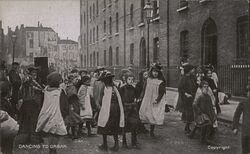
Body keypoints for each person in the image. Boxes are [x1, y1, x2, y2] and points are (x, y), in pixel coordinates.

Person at [36, 72, 69, 154]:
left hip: (46, 114)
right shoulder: (60, 92)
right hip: (57, 115)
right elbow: (65, 106)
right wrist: (65, 115)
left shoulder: (45, 91)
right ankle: (53, 150)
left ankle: (52, 149)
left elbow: (42, 103)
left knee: (50, 133)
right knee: (56, 133)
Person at [96, 71, 125, 152]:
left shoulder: (105, 88)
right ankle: (115, 145)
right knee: (114, 127)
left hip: (109, 110)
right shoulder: (115, 88)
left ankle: (105, 144)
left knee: (104, 126)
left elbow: (101, 99)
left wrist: (100, 106)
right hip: (115, 110)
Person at [139, 63, 166, 137]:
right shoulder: (148, 80)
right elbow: (144, 90)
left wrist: (157, 100)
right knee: (144, 113)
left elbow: (161, 93)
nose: (155, 73)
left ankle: (151, 131)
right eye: (154, 71)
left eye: (157, 72)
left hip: (154, 100)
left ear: (159, 73)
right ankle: (141, 128)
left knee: (153, 115)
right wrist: (141, 97)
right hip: (147, 99)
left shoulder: (160, 82)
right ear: (151, 71)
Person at [18, 66, 44, 144]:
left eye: (35, 72)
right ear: (30, 73)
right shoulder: (28, 79)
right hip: (29, 103)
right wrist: (40, 89)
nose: (35, 74)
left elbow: (38, 87)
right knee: (30, 120)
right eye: (33, 72)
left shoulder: (32, 80)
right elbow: (33, 86)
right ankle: (31, 138)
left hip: (32, 102)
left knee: (30, 120)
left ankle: (31, 137)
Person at [119, 73, 140, 148]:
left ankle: (134, 142)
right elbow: (120, 99)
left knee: (134, 124)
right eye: (129, 79)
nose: (131, 81)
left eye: (132, 79)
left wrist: (135, 102)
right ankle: (124, 142)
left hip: (133, 108)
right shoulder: (122, 88)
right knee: (125, 125)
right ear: (126, 80)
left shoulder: (134, 88)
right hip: (125, 108)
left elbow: (138, 95)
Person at [178, 65, 197, 134]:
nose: (193, 71)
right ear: (189, 70)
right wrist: (186, 94)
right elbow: (180, 88)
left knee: (191, 113)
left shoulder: (192, 77)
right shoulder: (184, 78)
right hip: (187, 99)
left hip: (192, 97)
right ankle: (187, 127)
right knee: (189, 113)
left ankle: (187, 126)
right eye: (192, 69)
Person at [232, 85, 250, 154]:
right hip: (246, 131)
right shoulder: (244, 102)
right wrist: (235, 127)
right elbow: (237, 114)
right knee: (245, 150)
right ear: (248, 93)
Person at [65, 75, 82, 139]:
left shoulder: (69, 87)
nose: (74, 80)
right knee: (73, 119)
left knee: (73, 118)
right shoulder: (71, 87)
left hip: (73, 103)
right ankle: (74, 134)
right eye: (72, 79)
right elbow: (72, 95)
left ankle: (72, 133)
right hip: (72, 103)